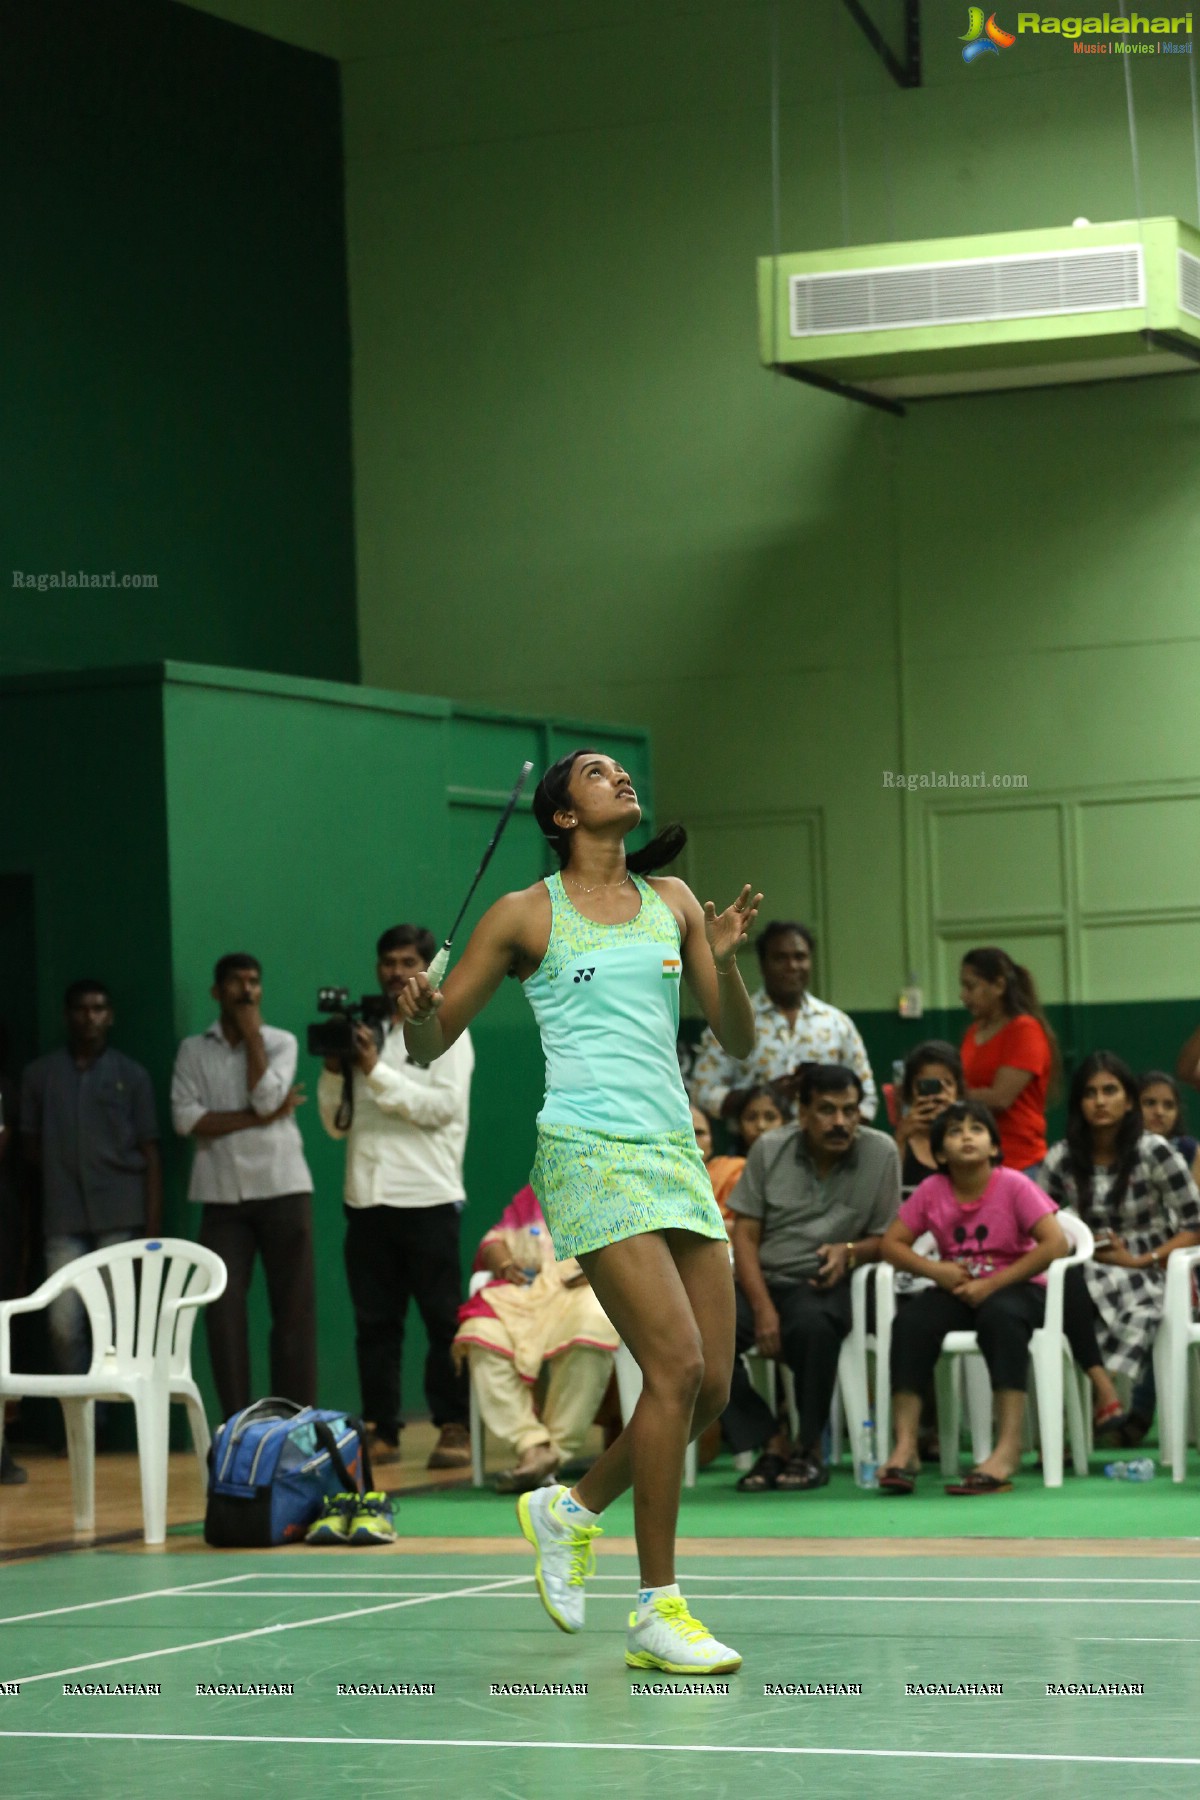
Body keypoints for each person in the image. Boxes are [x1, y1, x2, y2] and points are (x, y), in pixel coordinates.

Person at [396, 747, 759, 1675]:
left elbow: (736, 1036)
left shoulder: (673, 899)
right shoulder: (526, 913)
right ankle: (657, 1608)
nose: (622, 777)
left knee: (711, 1385)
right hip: (588, 1151)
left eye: (623, 771)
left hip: (673, 1153)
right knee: (670, 1366)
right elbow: (432, 1045)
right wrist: (413, 1010)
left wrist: (722, 963)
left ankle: (568, 1509)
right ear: (561, 814)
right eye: (596, 774)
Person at [318, 923, 474, 1471]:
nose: (394, 972)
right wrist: (338, 1070)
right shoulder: (362, 1030)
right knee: (375, 1326)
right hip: (367, 1198)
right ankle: (382, 1428)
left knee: (441, 1322)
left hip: (427, 1197)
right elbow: (336, 1126)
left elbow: (441, 1109)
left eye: (408, 961)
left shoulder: (444, 1025)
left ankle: (454, 1425)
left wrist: (373, 1070)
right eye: (387, 962)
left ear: (429, 968)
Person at [878, 1102, 1070, 1495]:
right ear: (940, 1153)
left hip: (1019, 1288)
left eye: (976, 1129)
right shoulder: (932, 1190)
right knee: (911, 1322)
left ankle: (1008, 1448)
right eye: (954, 1131)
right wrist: (937, 1272)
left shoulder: (1014, 1184)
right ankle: (906, 1447)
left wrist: (994, 1283)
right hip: (959, 1287)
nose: (967, 1136)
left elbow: (1056, 1243)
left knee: (1001, 1318)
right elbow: (891, 1245)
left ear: (994, 1147)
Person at [724, 1064, 900, 1492]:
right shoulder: (769, 1149)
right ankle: (770, 1440)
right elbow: (744, 1238)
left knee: (814, 1325)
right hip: (762, 1280)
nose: (840, 1122)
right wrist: (763, 1309)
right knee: (699, 1332)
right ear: (801, 1113)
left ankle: (809, 1449)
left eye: (850, 1111)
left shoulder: (882, 1154)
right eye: (826, 1110)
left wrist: (852, 1251)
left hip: (824, 1282)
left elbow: (892, 1238)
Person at [171, 954, 314, 1421]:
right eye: (236, 982)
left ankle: (294, 1418)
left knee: (292, 1311)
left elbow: (267, 1095)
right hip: (221, 1196)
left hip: (283, 1189)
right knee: (223, 1310)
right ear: (217, 992)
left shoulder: (281, 1042)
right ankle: (237, 1422)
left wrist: (253, 1036)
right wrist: (260, 1120)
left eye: (254, 982)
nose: (247, 990)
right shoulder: (194, 1050)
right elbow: (186, 1119)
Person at [1041, 1052, 1200, 1439]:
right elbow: (1038, 1223)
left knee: (1075, 1289)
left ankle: (1087, 1407)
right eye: (1090, 1093)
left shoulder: (1155, 1151)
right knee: (1065, 1280)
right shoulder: (1061, 1157)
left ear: (1128, 1100)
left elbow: (1196, 1224)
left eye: (1110, 1091)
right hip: (1085, 1260)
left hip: (1153, 1267)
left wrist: (1139, 1259)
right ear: (1079, 1103)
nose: (1100, 1101)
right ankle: (1103, 1387)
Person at [21, 980, 161, 1383]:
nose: (90, 1017)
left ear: (111, 1016)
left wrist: (151, 1226)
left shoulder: (131, 1075)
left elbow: (152, 1153)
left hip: (119, 1216)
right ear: (68, 1016)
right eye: (82, 1009)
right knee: (63, 1325)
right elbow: (29, 1149)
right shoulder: (40, 1075)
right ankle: (82, 1418)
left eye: (99, 1008)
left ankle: (113, 1413)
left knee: (119, 1325)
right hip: (62, 1219)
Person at [453, 1185, 619, 1492]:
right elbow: (495, 1239)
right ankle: (532, 1446)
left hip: (584, 1289)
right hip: (526, 1292)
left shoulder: (615, 1189)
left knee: (592, 1327)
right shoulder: (537, 1193)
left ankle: (556, 1451)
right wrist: (504, 1264)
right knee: (480, 1332)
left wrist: (603, 1266)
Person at [690, 920, 877, 1124]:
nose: (792, 966)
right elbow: (702, 1093)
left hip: (828, 1150)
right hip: (756, 1148)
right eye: (780, 958)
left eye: (800, 957)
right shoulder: (734, 1019)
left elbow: (867, 1100)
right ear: (763, 964)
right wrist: (764, 1095)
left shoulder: (837, 1024)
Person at [959, 947, 1059, 1174]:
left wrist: (950, 1095)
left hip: (1020, 1162)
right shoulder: (972, 1032)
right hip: (978, 1161)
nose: (963, 996)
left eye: (970, 986)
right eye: (962, 987)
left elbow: (1000, 1097)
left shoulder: (1024, 1030)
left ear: (999, 986)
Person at [703, 1084, 787, 1225]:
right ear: (739, 1125)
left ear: (785, 1123)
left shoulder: (796, 1170)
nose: (760, 1125)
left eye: (770, 1117)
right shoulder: (723, 1168)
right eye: (751, 1118)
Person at [892, 1040, 965, 1194]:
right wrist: (901, 1138)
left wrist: (954, 1121)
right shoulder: (902, 1139)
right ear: (911, 1090)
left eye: (947, 1084)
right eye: (928, 1085)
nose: (938, 1095)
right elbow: (885, 1192)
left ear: (958, 1090)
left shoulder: (970, 1134)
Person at [1139, 1070, 1200, 1184]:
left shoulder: (1190, 1150)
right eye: (1150, 1103)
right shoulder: (1118, 1148)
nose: (1159, 1112)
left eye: (1168, 1105)